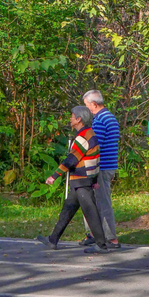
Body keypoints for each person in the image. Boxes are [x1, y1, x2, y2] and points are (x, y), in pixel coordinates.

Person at [36, 106, 111, 253]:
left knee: (90, 211)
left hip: (82, 180)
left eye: (72, 116)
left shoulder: (82, 137)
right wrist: (94, 180)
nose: (70, 118)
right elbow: (95, 159)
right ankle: (53, 240)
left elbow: (71, 160)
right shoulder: (90, 133)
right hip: (83, 180)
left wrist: (54, 176)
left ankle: (101, 245)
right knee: (68, 209)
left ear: (79, 119)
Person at [80, 89, 121, 249]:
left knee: (102, 203)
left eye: (87, 105)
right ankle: (93, 234)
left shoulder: (100, 120)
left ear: (94, 104)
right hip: (107, 165)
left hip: (101, 167)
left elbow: (95, 146)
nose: (87, 109)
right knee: (92, 201)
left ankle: (111, 239)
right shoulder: (109, 117)